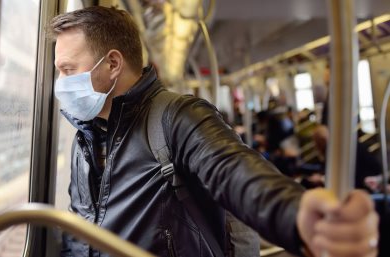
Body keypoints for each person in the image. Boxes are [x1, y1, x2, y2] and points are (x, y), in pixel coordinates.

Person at [49, 6, 379, 257]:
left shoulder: (176, 117)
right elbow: (81, 229)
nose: (61, 84)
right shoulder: (87, 136)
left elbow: (234, 172)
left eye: (69, 70)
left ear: (113, 64)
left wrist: (297, 214)